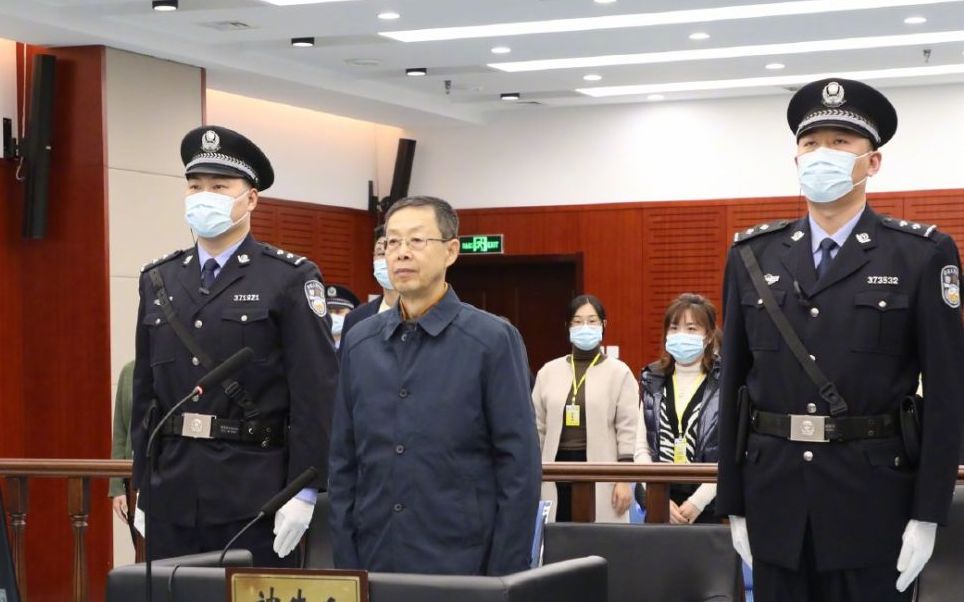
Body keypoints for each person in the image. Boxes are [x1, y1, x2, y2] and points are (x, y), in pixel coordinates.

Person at [717, 78, 964, 601]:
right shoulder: (752, 256)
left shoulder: (920, 255)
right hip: (775, 500)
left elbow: (947, 394)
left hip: (874, 504)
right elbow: (733, 384)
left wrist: (928, 514)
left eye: (839, 142)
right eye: (810, 144)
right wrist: (733, 501)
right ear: (796, 160)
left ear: (872, 162)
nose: (821, 155)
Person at [130, 125, 339, 566]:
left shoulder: (288, 278)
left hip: (256, 493)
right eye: (195, 186)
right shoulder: (159, 279)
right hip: (172, 490)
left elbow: (316, 392)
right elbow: (146, 395)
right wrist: (143, 485)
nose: (204, 196)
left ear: (251, 198)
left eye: (219, 186)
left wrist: (305, 490)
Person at [329, 195, 541, 576]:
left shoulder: (491, 340)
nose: (401, 253)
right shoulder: (360, 342)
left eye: (416, 240)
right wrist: (347, 565)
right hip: (376, 557)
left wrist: (504, 578)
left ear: (451, 251)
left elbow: (519, 468)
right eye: (392, 242)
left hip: (463, 564)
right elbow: (344, 462)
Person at [531, 294, 639, 523]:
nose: (585, 327)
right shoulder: (548, 372)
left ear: (603, 325)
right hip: (554, 470)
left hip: (601, 470)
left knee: (596, 536)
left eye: (592, 321)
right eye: (578, 322)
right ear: (568, 327)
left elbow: (628, 430)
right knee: (556, 535)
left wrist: (624, 479)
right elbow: (536, 427)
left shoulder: (619, 372)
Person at [635, 293, 721, 524]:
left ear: (708, 336)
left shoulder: (725, 382)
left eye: (691, 329)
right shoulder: (652, 379)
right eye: (674, 328)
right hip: (660, 498)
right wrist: (657, 497)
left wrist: (698, 502)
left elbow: (731, 452)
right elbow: (641, 447)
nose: (681, 335)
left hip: (708, 504)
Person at [341, 226, 399, 339]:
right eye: (380, 254)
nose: (386, 260)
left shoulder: (427, 313)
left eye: (392, 253)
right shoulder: (355, 318)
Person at [110, 361, 136, 528]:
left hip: (166, 474)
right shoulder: (128, 371)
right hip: (132, 477)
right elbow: (120, 434)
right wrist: (117, 487)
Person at [325, 284, 359, 349]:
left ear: (351, 313)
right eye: (327, 312)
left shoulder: (359, 345)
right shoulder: (312, 344)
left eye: (338, 312)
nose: (332, 316)